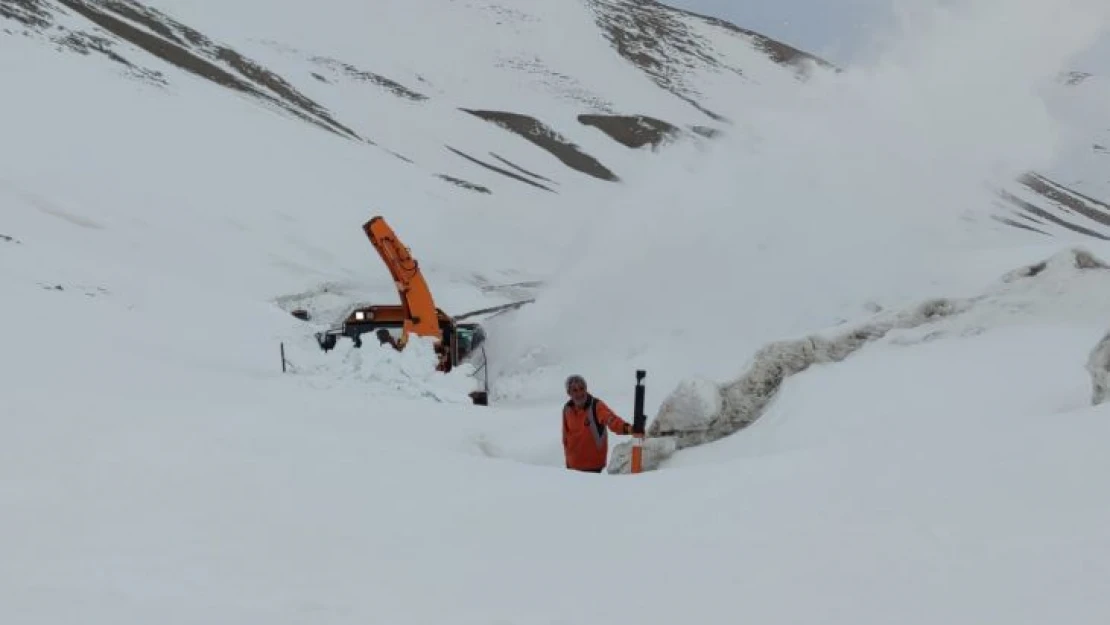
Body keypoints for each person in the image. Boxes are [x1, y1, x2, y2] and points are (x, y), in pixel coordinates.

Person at [562, 374, 634, 473]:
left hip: (593, 468)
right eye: (574, 390)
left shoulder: (596, 406)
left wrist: (628, 428)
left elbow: (611, 420)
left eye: (582, 388)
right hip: (572, 468)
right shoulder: (567, 409)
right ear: (569, 393)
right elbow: (565, 436)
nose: (579, 393)